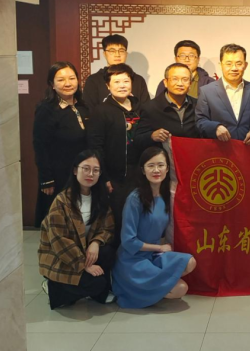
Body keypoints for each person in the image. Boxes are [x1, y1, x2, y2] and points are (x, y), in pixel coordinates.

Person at [112, 147, 196, 308]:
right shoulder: (135, 199)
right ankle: (132, 289)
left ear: (167, 168)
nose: (156, 170)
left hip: (153, 256)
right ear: (143, 170)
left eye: (160, 165)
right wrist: (160, 247)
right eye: (151, 165)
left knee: (190, 262)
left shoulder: (165, 196)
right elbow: (128, 241)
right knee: (180, 288)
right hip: (133, 259)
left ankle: (148, 289)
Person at [38, 150, 116, 309]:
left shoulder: (100, 198)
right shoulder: (61, 201)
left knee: (107, 251)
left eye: (96, 170)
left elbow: (108, 227)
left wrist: (96, 242)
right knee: (96, 283)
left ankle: (94, 292)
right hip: (63, 256)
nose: (90, 174)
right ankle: (53, 286)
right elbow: (59, 240)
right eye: (86, 168)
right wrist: (84, 265)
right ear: (75, 170)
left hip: (85, 250)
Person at [87, 64, 143, 246]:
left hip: (140, 173)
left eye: (126, 81)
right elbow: (96, 146)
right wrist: (104, 176)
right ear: (108, 85)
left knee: (140, 218)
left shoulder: (141, 108)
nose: (122, 85)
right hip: (116, 177)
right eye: (116, 82)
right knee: (119, 219)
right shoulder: (101, 111)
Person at [33, 62, 89, 227]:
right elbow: (40, 145)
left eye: (72, 78)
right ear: (52, 84)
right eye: (61, 79)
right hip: (58, 176)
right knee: (59, 223)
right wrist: (46, 179)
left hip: (81, 174)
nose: (67, 83)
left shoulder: (82, 107)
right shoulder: (47, 109)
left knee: (80, 220)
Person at [195, 43, 250, 144]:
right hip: (219, 149)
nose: (234, 68)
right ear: (221, 65)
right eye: (228, 64)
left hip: (248, 148)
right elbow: (200, 121)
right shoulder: (206, 91)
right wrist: (215, 127)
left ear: (245, 65)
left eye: (239, 63)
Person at [134, 63, 199, 152]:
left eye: (185, 79)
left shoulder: (198, 105)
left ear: (190, 84)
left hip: (192, 156)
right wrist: (151, 136)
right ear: (165, 82)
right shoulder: (150, 107)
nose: (180, 83)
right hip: (164, 158)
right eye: (175, 79)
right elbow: (137, 139)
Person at [83, 34, 150, 112]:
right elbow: (89, 111)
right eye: (112, 51)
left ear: (126, 54)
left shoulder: (138, 80)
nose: (117, 55)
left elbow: (146, 110)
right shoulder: (93, 80)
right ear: (104, 54)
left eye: (121, 51)